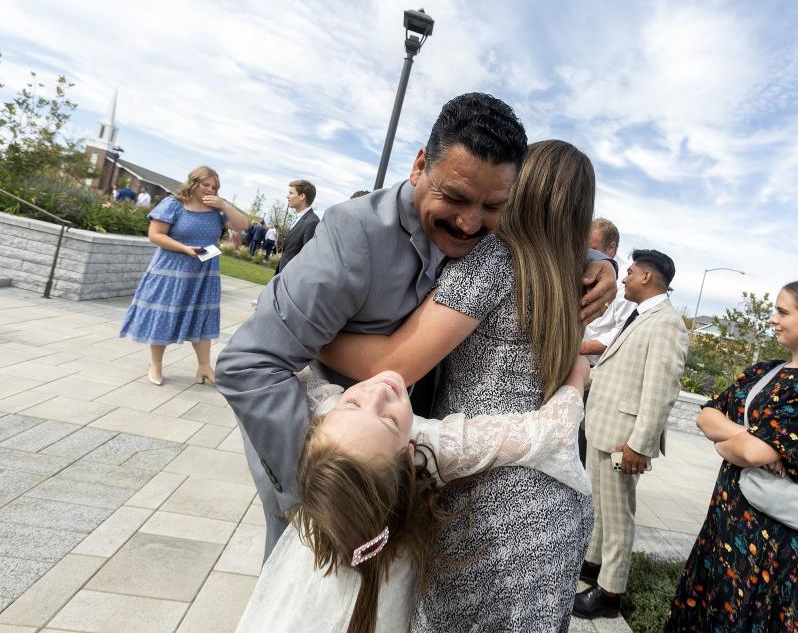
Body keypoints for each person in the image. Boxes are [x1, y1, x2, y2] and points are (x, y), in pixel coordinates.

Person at [215, 93, 617, 562]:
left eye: (492, 206)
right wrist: (316, 489)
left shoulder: (489, 244)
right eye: (455, 197)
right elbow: (248, 362)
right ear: (420, 164)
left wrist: (597, 259)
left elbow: (536, 238)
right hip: (324, 451)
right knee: (308, 578)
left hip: (409, 456)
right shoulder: (353, 236)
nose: (470, 223)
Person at [320, 140, 598, 631]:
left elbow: (394, 365)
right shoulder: (570, 276)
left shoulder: (493, 262)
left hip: (484, 497)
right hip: (555, 504)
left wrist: (312, 334)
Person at [236, 361, 590, 633]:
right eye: (389, 420)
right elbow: (551, 432)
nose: (378, 393)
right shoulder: (430, 446)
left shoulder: (333, 421)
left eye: (354, 402)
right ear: (408, 457)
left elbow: (283, 367)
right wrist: (576, 377)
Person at [663, 278, 798, 632]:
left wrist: (740, 443)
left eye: (783, 311)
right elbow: (706, 415)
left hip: (770, 547)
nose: (773, 319)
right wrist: (747, 441)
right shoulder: (765, 370)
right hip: (726, 526)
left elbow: (749, 451)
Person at [573, 249, 688, 619]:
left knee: (618, 516)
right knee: (600, 510)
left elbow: (661, 389)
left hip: (623, 439)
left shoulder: (666, 324)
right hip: (603, 428)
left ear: (647, 278)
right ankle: (592, 566)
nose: (623, 277)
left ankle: (610, 593)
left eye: (631, 271)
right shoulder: (643, 316)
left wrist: (640, 445)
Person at [119, 166, 247, 386]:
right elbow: (155, 235)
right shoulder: (174, 204)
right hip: (171, 270)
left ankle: (204, 367)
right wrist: (184, 248)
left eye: (214, 187)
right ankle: (156, 364)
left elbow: (242, 225)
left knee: (202, 318)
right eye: (205, 184)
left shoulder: (217, 211)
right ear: (193, 182)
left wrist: (224, 204)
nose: (209, 189)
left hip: (203, 274)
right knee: (164, 315)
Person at [578, 217, 638, 464]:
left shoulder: (625, 283)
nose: (588, 253)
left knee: (583, 443)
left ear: (612, 248)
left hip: (596, 375)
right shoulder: (583, 268)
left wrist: (574, 349)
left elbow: (618, 336)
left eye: (594, 247)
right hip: (573, 364)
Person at [275, 180, 319, 274]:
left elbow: (308, 257)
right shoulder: (298, 218)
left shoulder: (312, 222)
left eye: (291, 193)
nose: (287, 196)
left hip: (291, 279)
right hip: (282, 275)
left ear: (302, 196)